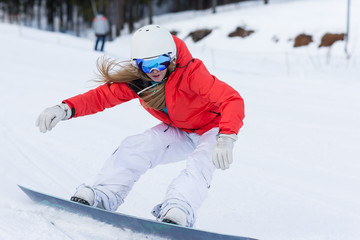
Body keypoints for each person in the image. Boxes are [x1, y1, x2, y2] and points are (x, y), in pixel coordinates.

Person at [35, 25, 245, 227]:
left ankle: (179, 208)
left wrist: (227, 137)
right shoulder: (140, 81)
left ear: (171, 58)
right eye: (147, 64)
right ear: (137, 64)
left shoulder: (190, 72)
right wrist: (65, 108)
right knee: (136, 146)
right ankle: (104, 194)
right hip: (181, 129)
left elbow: (232, 99)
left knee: (202, 162)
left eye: (161, 62)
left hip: (213, 128)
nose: (154, 70)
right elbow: (102, 97)